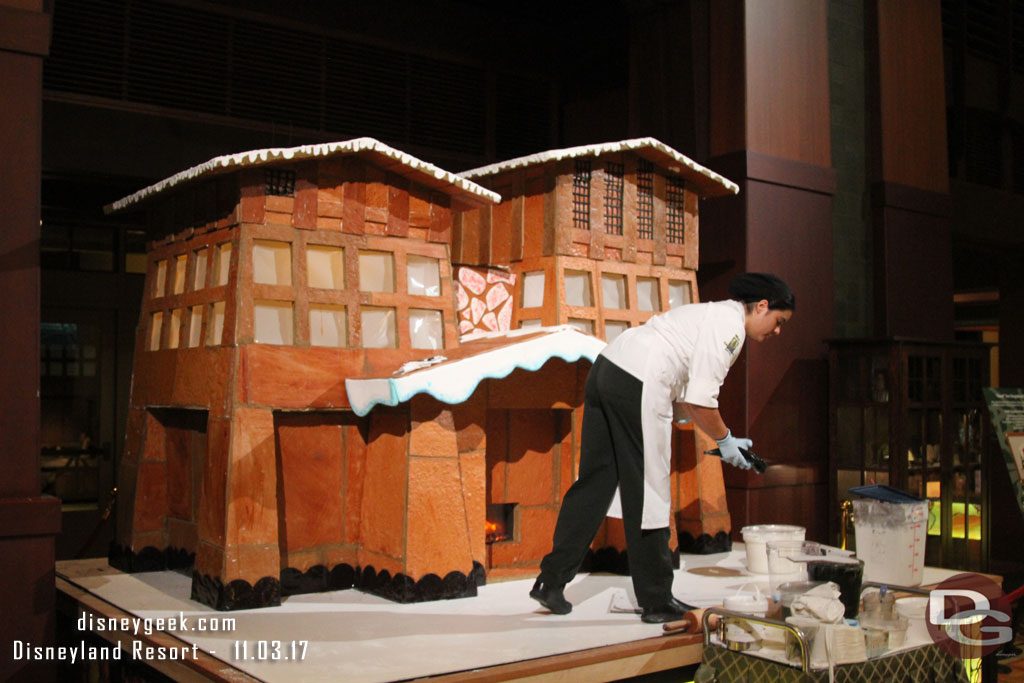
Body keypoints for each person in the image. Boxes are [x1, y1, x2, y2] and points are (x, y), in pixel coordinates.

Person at [530, 272, 795, 623]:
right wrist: (725, 440)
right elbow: (702, 402)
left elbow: (689, 399)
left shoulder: (710, 314)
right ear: (762, 307)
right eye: (779, 322)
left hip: (609, 367)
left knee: (595, 481)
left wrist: (705, 427)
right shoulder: (730, 329)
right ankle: (656, 600)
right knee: (650, 488)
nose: (777, 331)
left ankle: (550, 580)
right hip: (639, 380)